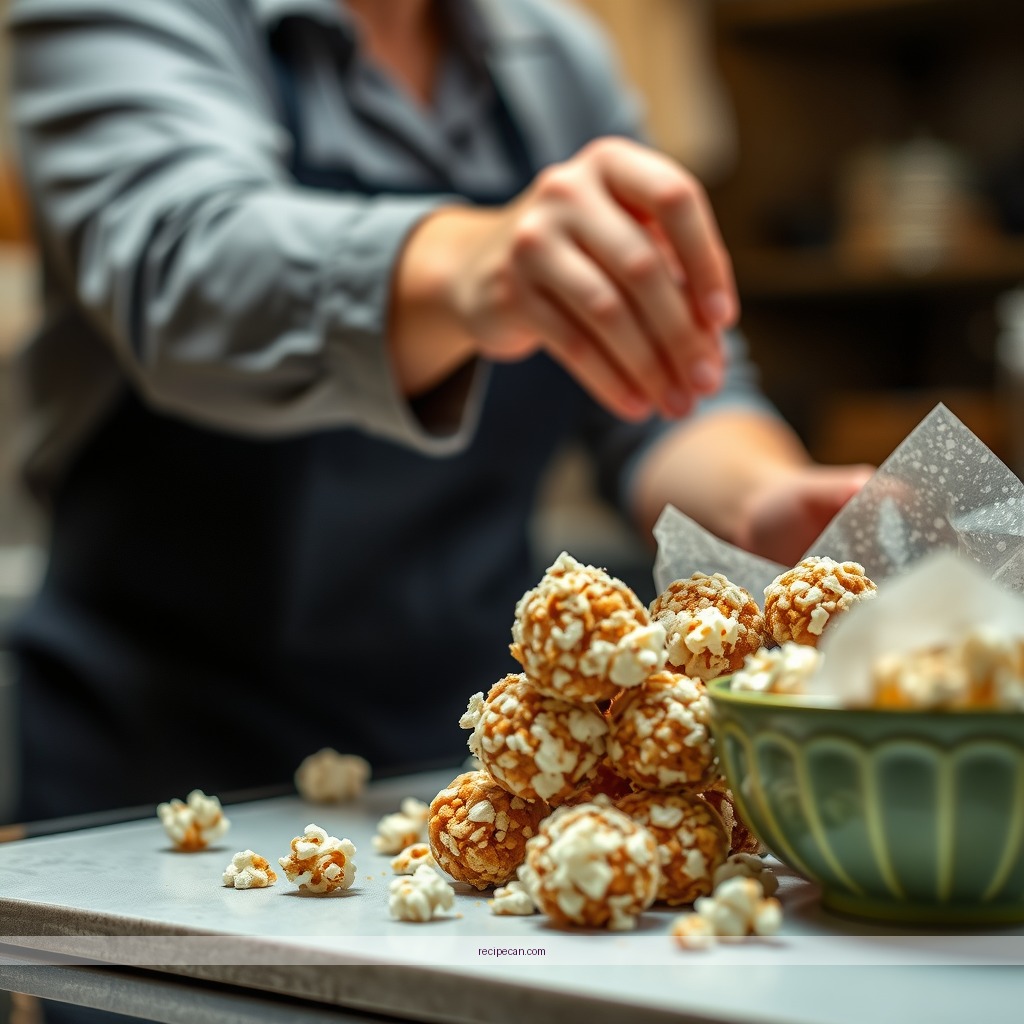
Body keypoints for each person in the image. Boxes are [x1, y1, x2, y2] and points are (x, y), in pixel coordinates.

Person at [5, 0, 872, 830]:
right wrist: (473, 266)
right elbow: (184, 268)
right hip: (154, 767)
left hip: (470, 762)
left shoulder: (556, 55)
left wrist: (759, 501)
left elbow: (671, 395)